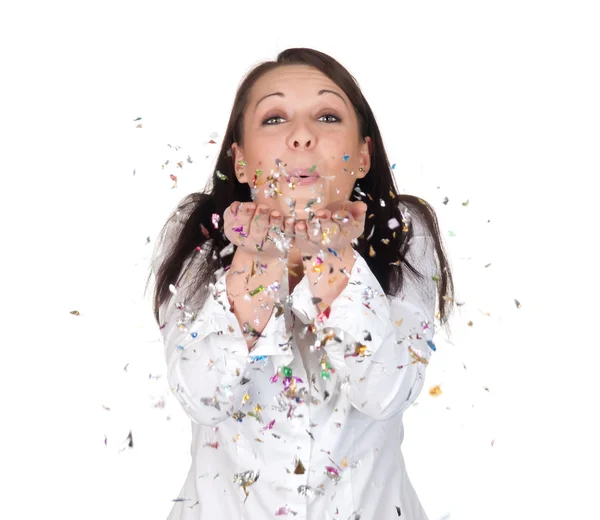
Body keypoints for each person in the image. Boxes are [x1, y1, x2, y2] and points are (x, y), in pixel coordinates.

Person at [147, 47, 455, 520]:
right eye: (274, 119)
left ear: (363, 156)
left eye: (328, 116)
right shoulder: (199, 234)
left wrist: (332, 260)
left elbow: (386, 393)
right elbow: (200, 396)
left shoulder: (403, 233)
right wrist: (257, 260)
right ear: (242, 160)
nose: (302, 137)